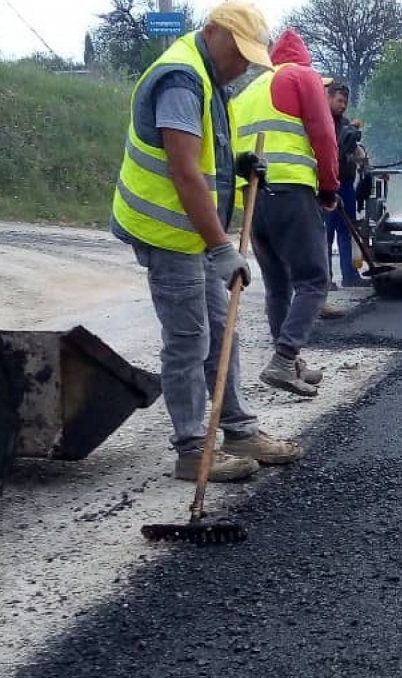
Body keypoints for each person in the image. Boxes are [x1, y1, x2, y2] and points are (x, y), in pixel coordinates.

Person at [111, 0, 303, 482]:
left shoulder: (211, 78)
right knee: (188, 339)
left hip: (192, 231)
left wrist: (239, 164)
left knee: (223, 328)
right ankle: (193, 448)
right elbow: (183, 171)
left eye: (248, 55)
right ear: (214, 31)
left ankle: (237, 429)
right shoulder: (181, 78)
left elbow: (206, 154)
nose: (242, 64)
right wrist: (222, 248)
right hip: (167, 231)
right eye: (238, 51)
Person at [233, 28, 340, 397]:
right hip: (291, 193)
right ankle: (283, 358)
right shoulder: (301, 76)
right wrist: (329, 187)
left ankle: (290, 363)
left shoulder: (246, 93)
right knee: (313, 280)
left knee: (277, 285)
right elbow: (324, 135)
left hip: (253, 198)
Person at [323, 81, 368, 289]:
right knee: (326, 232)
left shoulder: (346, 124)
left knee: (347, 230)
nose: (343, 105)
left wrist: (364, 161)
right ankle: (325, 278)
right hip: (328, 183)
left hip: (347, 184)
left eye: (345, 102)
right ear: (329, 97)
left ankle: (350, 275)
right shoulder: (321, 122)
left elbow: (354, 151)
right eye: (339, 101)